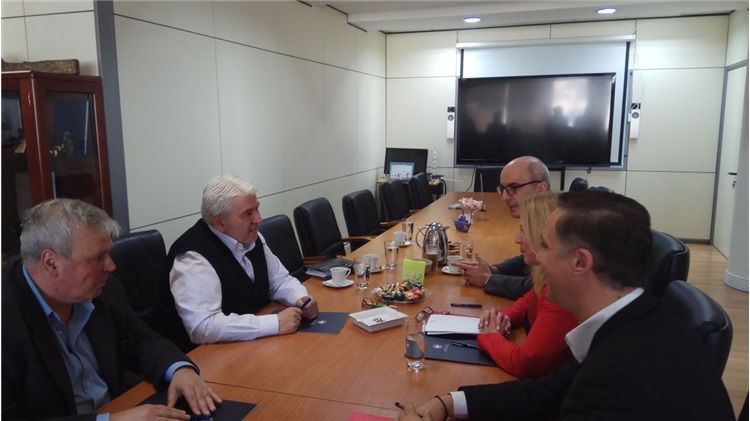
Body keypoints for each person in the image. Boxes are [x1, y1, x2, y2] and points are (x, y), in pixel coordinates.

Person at [398, 191, 734, 421]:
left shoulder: (617, 379)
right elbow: (546, 393)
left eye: (544, 246)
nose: (536, 258)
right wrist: (448, 403)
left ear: (580, 262)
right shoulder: (636, 321)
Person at [2, 198, 221, 421]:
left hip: (119, 407)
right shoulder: (7, 318)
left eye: (108, 253)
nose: (111, 266)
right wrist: (111, 420)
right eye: (97, 258)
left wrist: (179, 369)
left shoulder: (102, 290)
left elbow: (141, 339)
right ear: (51, 263)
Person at [152, 174, 319, 352]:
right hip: (200, 356)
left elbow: (279, 280)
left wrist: (299, 297)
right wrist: (274, 323)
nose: (258, 219)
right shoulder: (193, 257)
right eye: (248, 213)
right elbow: (203, 327)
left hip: (248, 344)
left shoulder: (252, 238)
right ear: (219, 222)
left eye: (257, 209)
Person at [476, 191, 578, 378]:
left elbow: (526, 363)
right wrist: (501, 317)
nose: (517, 238)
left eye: (524, 230)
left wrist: (490, 337)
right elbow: (527, 301)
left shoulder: (564, 291)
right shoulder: (545, 273)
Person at [454, 156, 550, 299]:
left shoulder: (557, 226)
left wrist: (488, 279)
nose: (504, 197)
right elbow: (530, 260)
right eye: (503, 189)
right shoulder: (540, 217)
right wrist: (494, 270)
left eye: (513, 188)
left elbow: (542, 287)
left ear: (540, 188)